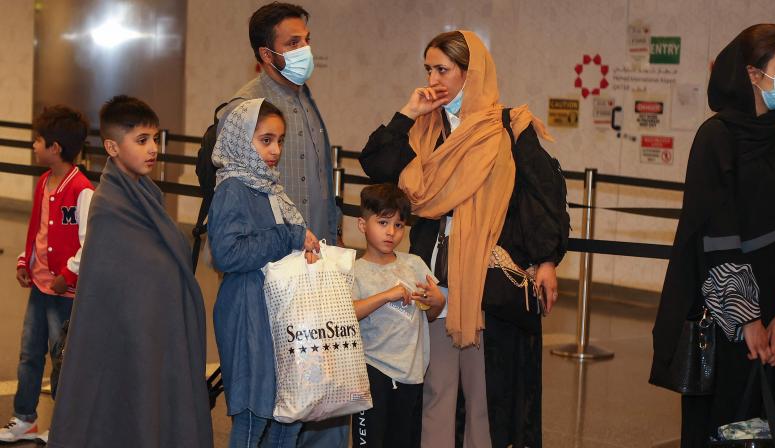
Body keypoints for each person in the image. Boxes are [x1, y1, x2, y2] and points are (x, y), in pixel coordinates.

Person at [359, 30, 567, 448]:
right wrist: (408, 112)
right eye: (428, 69)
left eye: (443, 69)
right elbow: (376, 163)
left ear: (470, 74)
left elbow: (545, 195)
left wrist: (546, 260)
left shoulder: (508, 128)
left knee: (484, 396)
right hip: (432, 279)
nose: (433, 79)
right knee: (436, 391)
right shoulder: (424, 131)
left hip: (486, 283)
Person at [650, 24, 775, 447]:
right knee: (720, 428)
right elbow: (715, 236)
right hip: (725, 318)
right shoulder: (715, 139)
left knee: (767, 428)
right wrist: (747, 319)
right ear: (753, 74)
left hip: (774, 320)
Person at [47, 96, 213, 448]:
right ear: (112, 147)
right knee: (129, 416)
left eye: (155, 139)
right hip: (128, 340)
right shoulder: (109, 207)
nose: (153, 148)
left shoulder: (146, 193)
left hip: (154, 333)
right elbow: (115, 288)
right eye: (141, 140)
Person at [208, 98, 320, 448]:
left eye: (280, 141)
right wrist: (288, 236)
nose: (275, 150)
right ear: (242, 140)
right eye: (265, 140)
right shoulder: (232, 188)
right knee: (253, 417)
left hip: (275, 309)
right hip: (247, 309)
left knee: (287, 415)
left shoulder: (268, 186)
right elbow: (228, 254)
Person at [0, 106, 92, 443]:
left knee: (63, 359)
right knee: (29, 353)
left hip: (63, 294)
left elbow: (89, 242)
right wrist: (25, 261)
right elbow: (37, 231)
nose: (33, 146)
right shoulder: (42, 182)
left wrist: (68, 275)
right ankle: (25, 418)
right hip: (39, 288)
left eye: (37, 141)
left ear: (55, 147)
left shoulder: (81, 190)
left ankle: (66, 424)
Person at [219, 2, 339, 246]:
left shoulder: (306, 97)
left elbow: (321, 177)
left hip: (316, 249)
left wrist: (334, 233)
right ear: (266, 54)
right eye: (293, 43)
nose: (305, 49)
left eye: (307, 40)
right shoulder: (245, 107)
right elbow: (233, 196)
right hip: (270, 256)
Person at [350, 183, 444, 447]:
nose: (391, 232)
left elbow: (431, 313)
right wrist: (385, 296)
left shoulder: (414, 264)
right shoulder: (354, 270)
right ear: (362, 224)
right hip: (372, 372)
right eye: (382, 222)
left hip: (411, 373)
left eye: (399, 225)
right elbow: (348, 313)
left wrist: (437, 301)